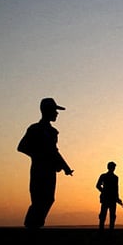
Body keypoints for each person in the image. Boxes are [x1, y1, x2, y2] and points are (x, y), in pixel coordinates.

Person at [17, 97, 74, 229]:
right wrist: (39, 156)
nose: (57, 113)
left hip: (50, 171)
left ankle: (36, 225)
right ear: (47, 111)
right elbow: (22, 147)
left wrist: (65, 167)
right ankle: (30, 227)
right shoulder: (34, 129)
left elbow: (54, 151)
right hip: (39, 170)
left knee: (48, 199)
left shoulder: (53, 132)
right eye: (54, 110)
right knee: (38, 200)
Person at [96, 161, 122, 230]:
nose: (113, 168)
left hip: (112, 199)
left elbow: (116, 189)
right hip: (107, 199)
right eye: (112, 167)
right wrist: (104, 191)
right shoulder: (104, 176)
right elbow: (98, 186)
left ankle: (110, 230)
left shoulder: (115, 177)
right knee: (103, 215)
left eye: (114, 167)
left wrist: (117, 198)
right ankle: (102, 230)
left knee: (112, 216)